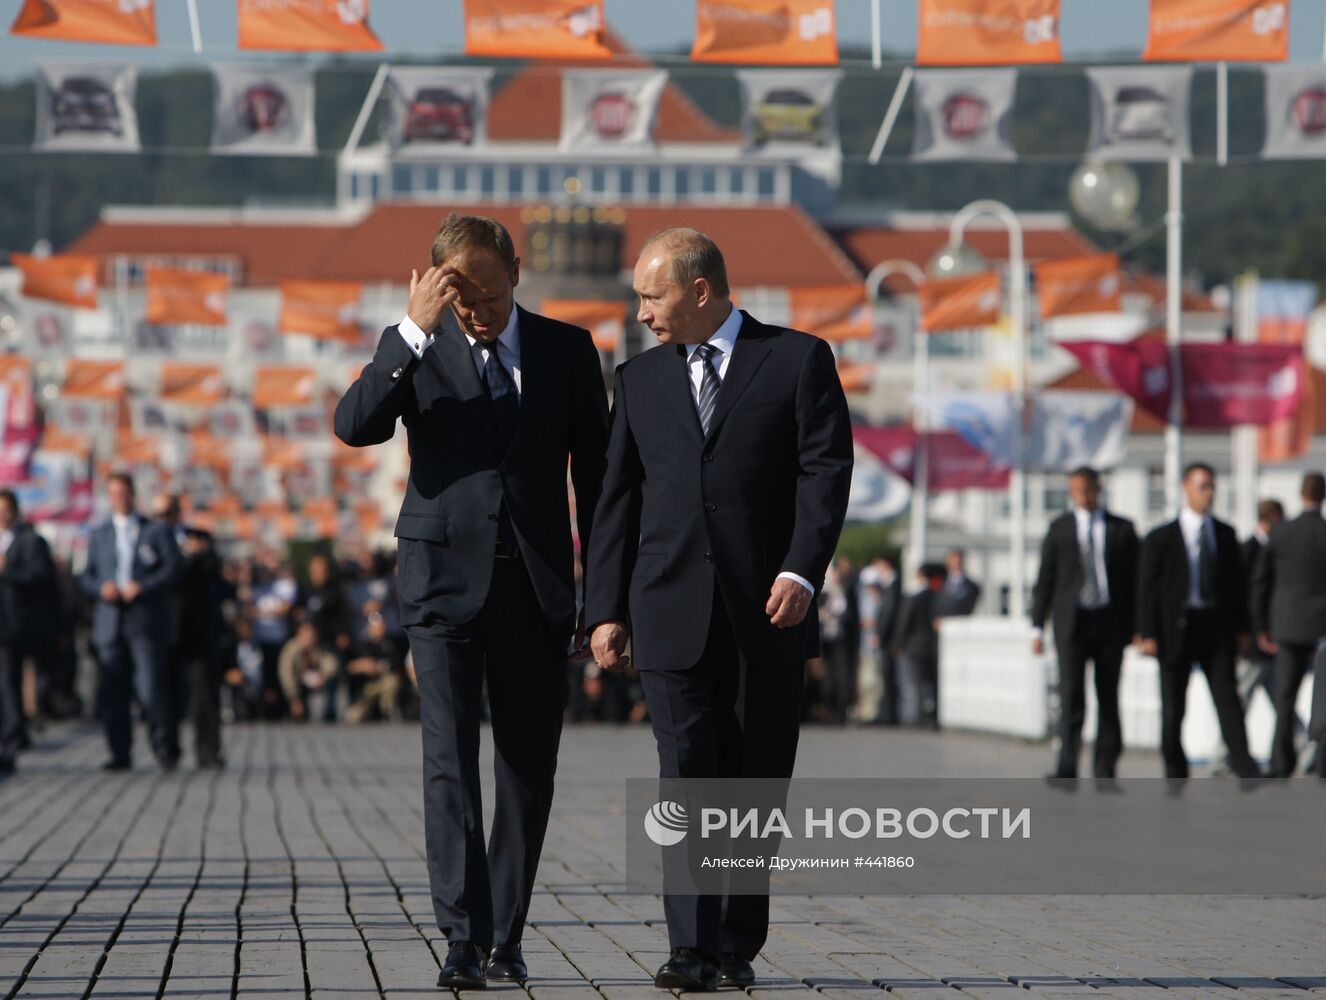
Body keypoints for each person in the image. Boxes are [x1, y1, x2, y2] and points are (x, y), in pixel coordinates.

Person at [334, 213, 609, 988]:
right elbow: (355, 426)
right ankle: (461, 934)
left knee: (528, 765)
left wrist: (603, 598)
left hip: (536, 585)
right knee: (447, 756)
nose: (476, 309)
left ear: (515, 271)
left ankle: (505, 935)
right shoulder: (419, 350)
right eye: (459, 297)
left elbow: (598, 485)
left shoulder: (566, 350)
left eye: (487, 291)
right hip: (440, 585)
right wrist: (410, 332)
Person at [586, 228, 853, 991]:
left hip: (769, 613)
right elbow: (615, 503)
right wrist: (604, 608)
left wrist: (803, 569)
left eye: (652, 294)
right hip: (667, 609)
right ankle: (691, 949)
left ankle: (737, 940)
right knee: (686, 778)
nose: (641, 312)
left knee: (756, 781)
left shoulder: (798, 360)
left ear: (700, 291)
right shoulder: (637, 381)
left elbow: (825, 472)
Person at [1135, 463, 1261, 782]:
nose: (1208, 493)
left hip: (1215, 629)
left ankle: (1245, 768)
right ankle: (1175, 773)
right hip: (1175, 630)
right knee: (1173, 707)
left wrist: (1243, 628)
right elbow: (1147, 588)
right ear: (1186, 488)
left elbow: (1237, 587)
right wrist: (1146, 632)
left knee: (1228, 699)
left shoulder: (1225, 534)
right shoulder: (1161, 537)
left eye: (1212, 486)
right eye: (1202, 486)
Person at [1030, 468, 1138, 783]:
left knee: (1109, 697)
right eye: (1076, 491)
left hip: (1110, 622)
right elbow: (1045, 580)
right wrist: (1037, 626)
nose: (1083, 496)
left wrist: (1140, 625)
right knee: (1070, 696)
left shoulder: (1122, 529)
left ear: (1098, 489)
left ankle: (1105, 768)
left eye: (1088, 490)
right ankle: (1067, 767)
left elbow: (1137, 582)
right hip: (1072, 623)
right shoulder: (1060, 529)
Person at [79, 473, 181, 771]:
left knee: (150, 687)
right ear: (108, 497)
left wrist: (143, 586)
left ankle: (163, 748)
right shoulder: (99, 534)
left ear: (133, 494)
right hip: (110, 619)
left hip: (143, 618)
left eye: (124, 492)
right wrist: (101, 588)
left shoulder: (156, 530)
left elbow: (173, 568)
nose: (120, 498)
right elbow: (86, 576)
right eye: (114, 493)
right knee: (113, 690)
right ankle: (119, 752)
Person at [1252, 473, 1326, 779]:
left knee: (1285, 696)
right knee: (1324, 698)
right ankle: (1323, 763)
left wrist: (1261, 625)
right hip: (1322, 623)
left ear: (1300, 493)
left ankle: (1282, 762)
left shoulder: (1281, 532)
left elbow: (1261, 582)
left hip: (1288, 623)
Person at [152, 493, 227, 768]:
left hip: (199, 628)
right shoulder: (151, 539)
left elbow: (213, 572)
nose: (164, 519)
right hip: (166, 627)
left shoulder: (200, 536)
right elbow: (163, 577)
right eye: (158, 514)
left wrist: (193, 558)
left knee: (205, 694)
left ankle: (208, 751)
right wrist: (187, 558)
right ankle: (168, 749)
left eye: (168, 512)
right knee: (167, 691)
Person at [0, 490, 57, 772]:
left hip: (19, 623)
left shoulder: (31, 541)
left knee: (12, 680)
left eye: (6, 509)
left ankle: (12, 738)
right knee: (7, 682)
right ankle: (15, 731)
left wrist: (7, 570)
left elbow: (41, 577)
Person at [892, 562, 946, 727]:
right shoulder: (939, 595)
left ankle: (912, 716)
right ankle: (928, 715)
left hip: (912, 645)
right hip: (931, 645)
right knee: (928, 684)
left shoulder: (914, 597)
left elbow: (904, 621)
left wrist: (897, 643)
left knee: (911, 683)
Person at [935, 548, 981, 617]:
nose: (956, 563)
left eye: (959, 560)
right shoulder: (939, 583)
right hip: (942, 622)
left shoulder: (973, 587)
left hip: (961, 623)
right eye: (953, 560)